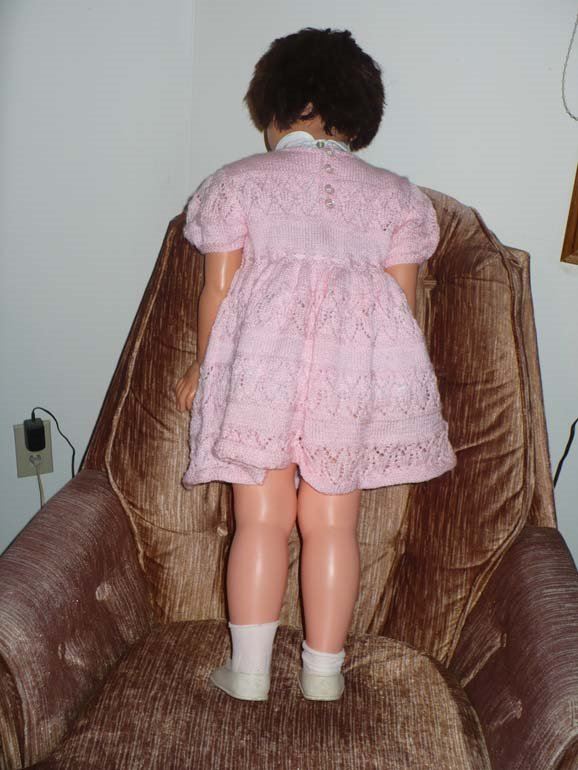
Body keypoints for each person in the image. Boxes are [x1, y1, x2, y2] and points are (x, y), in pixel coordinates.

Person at [174, 27, 457, 702]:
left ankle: (248, 672)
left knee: (261, 520)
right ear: (357, 115)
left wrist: (207, 370)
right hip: (347, 383)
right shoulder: (396, 197)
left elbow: (217, 291)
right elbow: (401, 308)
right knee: (334, 524)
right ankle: (323, 674)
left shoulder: (238, 183)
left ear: (275, 109)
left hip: (261, 377)